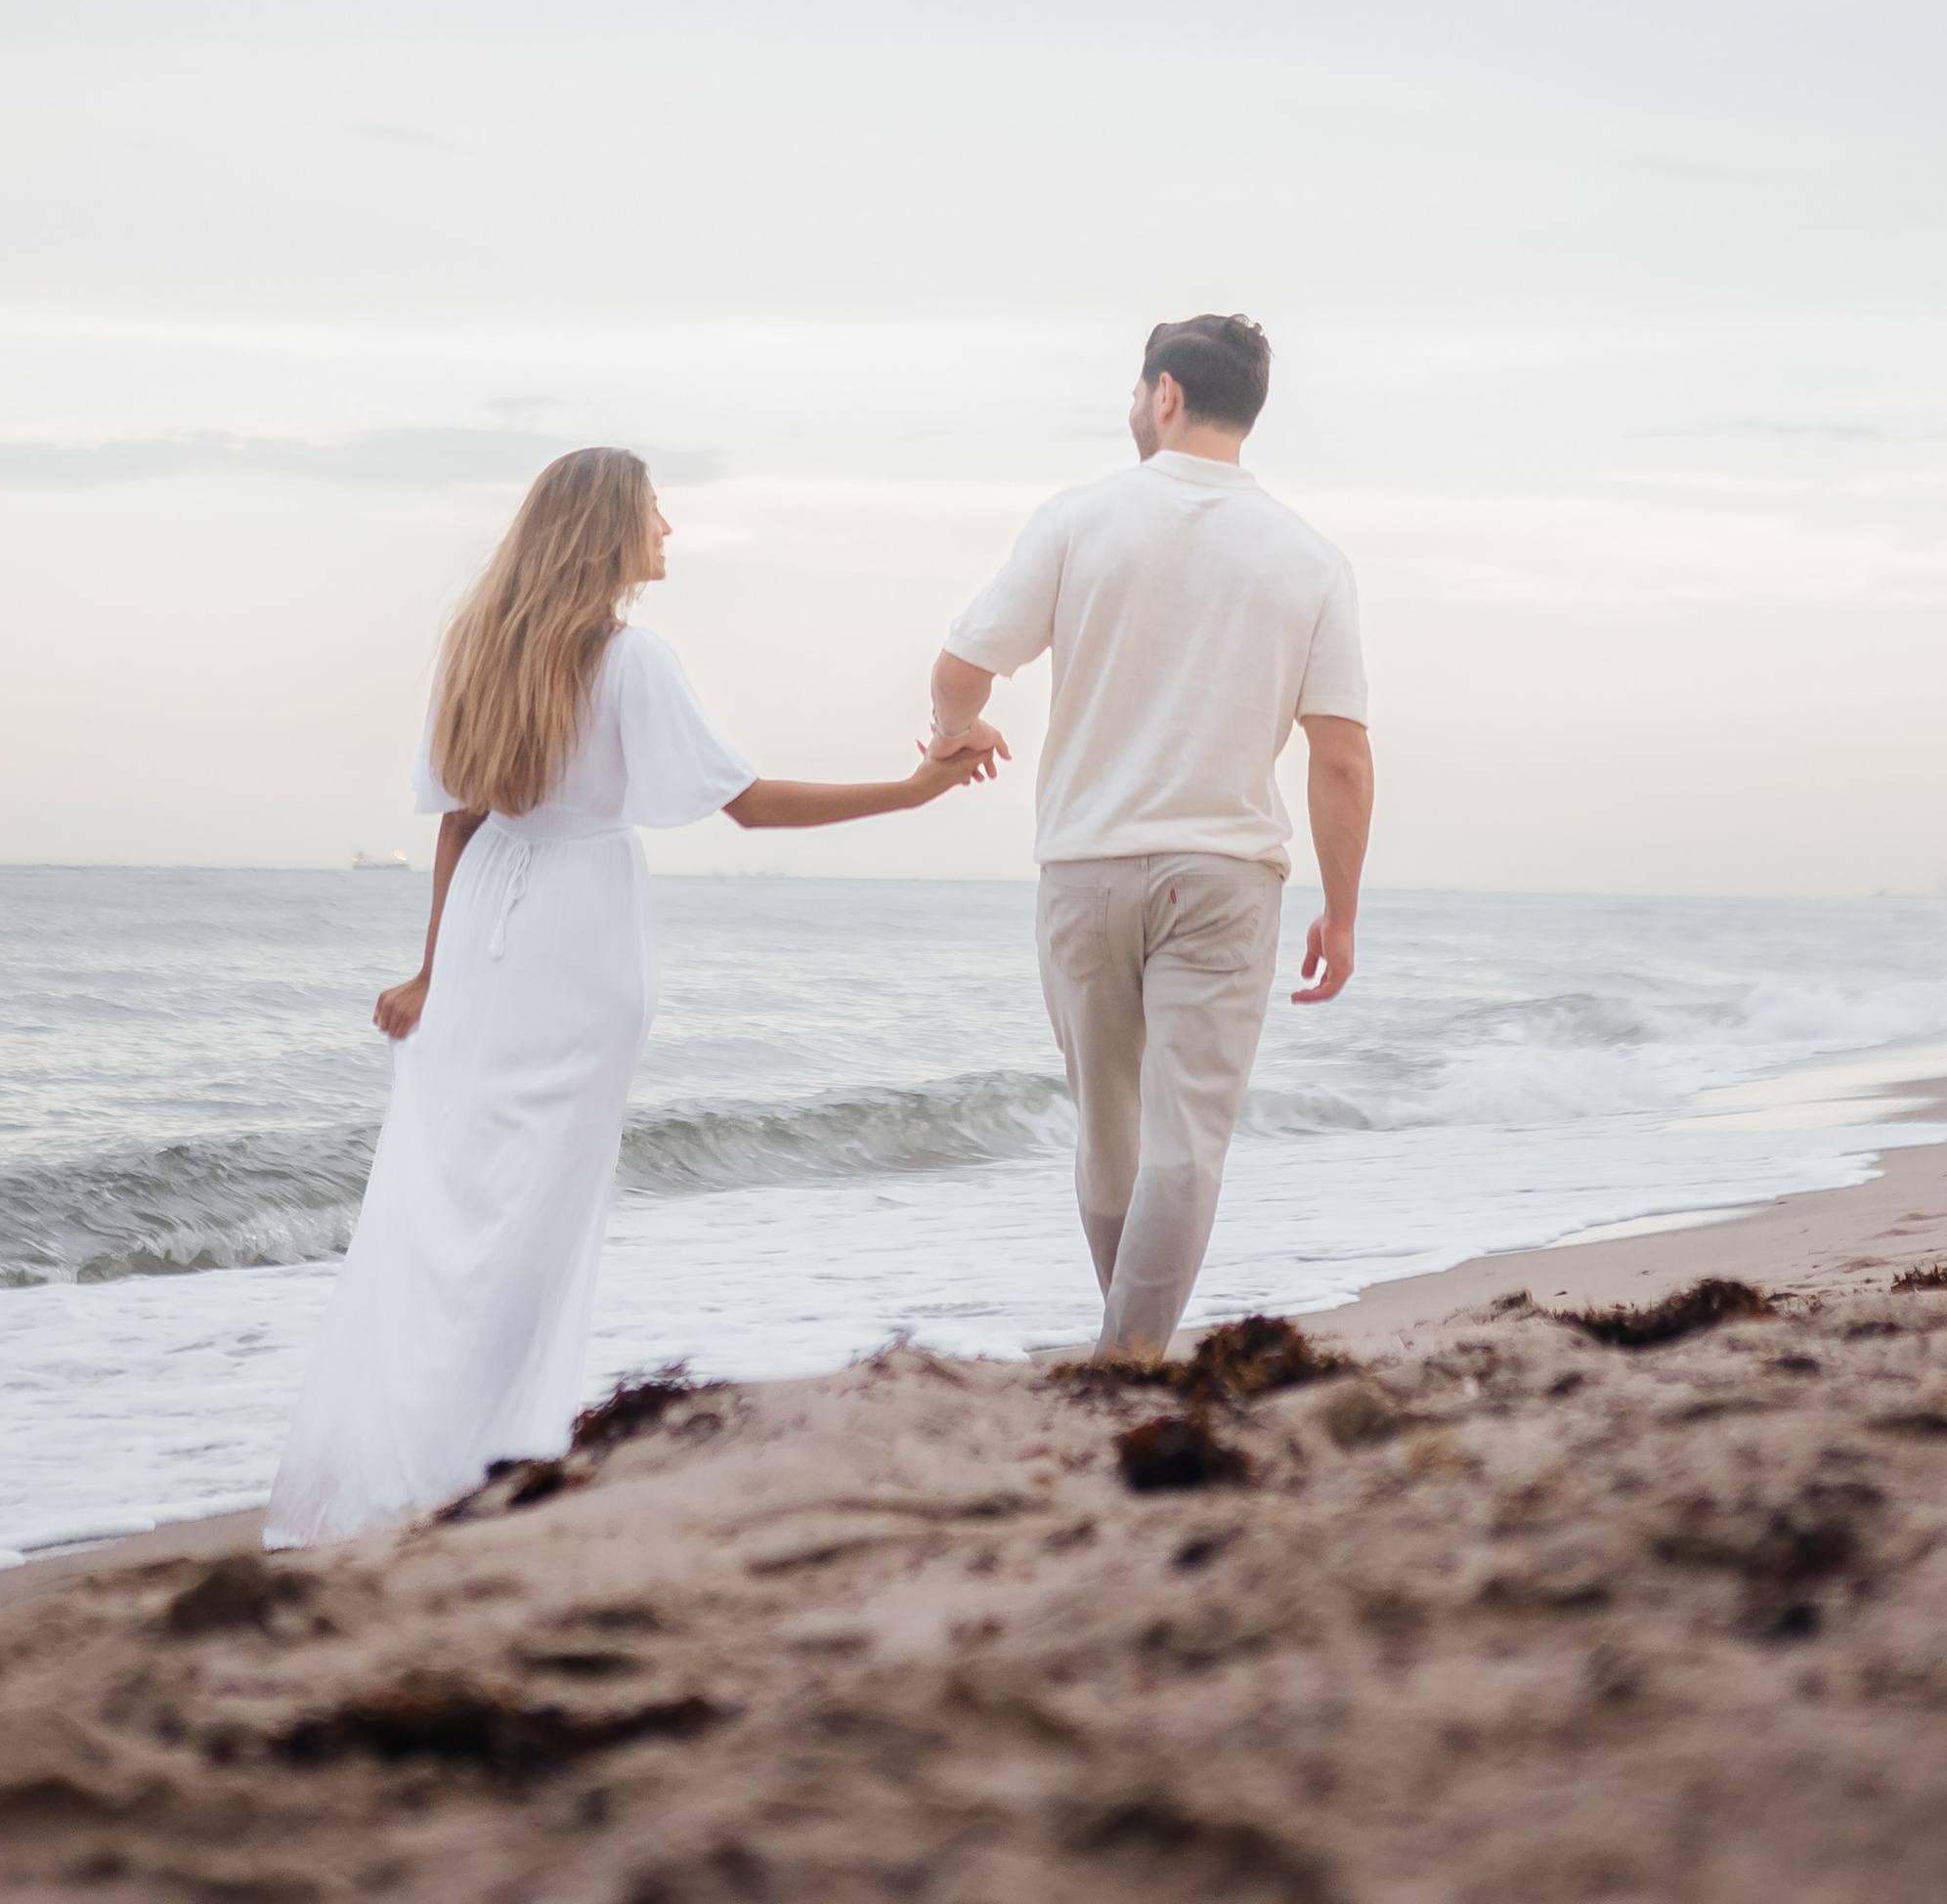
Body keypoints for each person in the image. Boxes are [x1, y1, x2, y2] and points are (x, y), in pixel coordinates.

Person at [267, 445, 989, 1543]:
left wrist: (429, 970)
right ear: (609, 528)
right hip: (572, 945)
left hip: (484, 937)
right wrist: (911, 792)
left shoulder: (478, 648)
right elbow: (744, 806)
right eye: (656, 513)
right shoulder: (629, 659)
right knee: (531, 1224)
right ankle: (481, 1463)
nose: (670, 532)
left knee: (456, 1214)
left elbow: (460, 820)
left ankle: (432, 1459)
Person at [928, 314, 1371, 1361]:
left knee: (1107, 1131)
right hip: (1222, 872)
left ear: (1163, 394)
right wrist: (1340, 914)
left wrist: (957, 734)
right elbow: (1341, 756)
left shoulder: (1080, 519)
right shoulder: (1308, 557)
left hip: (1082, 865)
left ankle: (1125, 1352)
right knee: (1186, 1144)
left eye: (1137, 393)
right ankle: (1132, 1356)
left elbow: (960, 664)